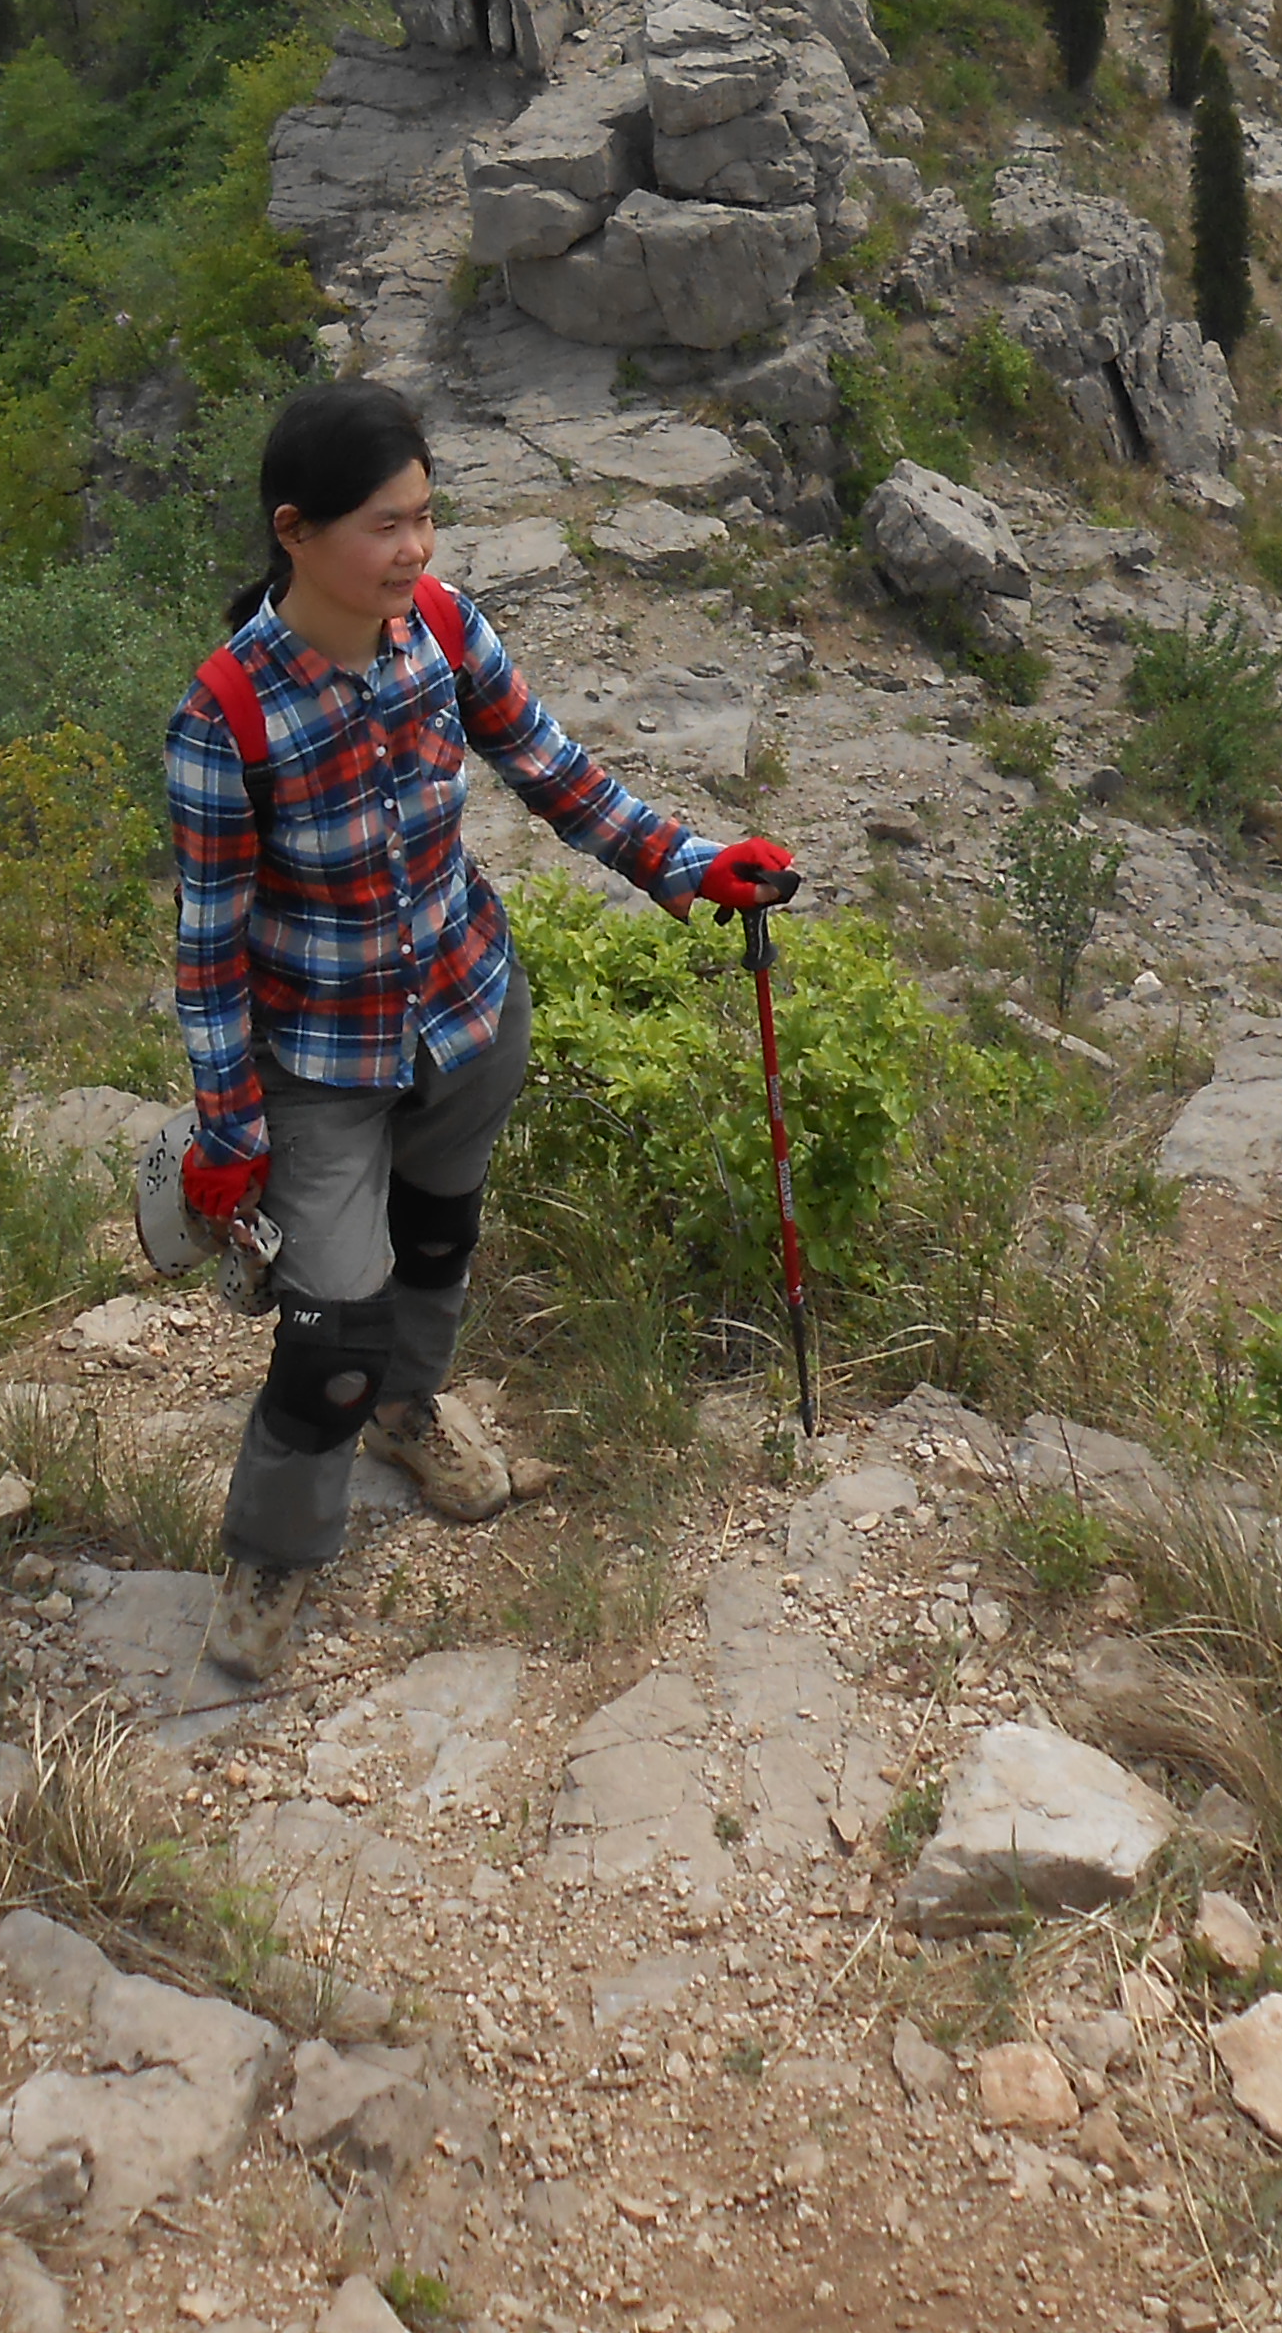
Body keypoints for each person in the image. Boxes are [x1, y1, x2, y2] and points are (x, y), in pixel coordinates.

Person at [168, 380, 795, 1683]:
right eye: (385, 527)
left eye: (426, 518)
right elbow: (210, 946)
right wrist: (229, 1128)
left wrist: (691, 866)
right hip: (322, 1066)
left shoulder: (441, 630)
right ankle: (278, 1550)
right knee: (327, 1329)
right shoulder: (227, 717)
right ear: (295, 530)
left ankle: (409, 1413)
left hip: (465, 1007)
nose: (416, 552)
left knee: (439, 1241)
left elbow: (558, 773)